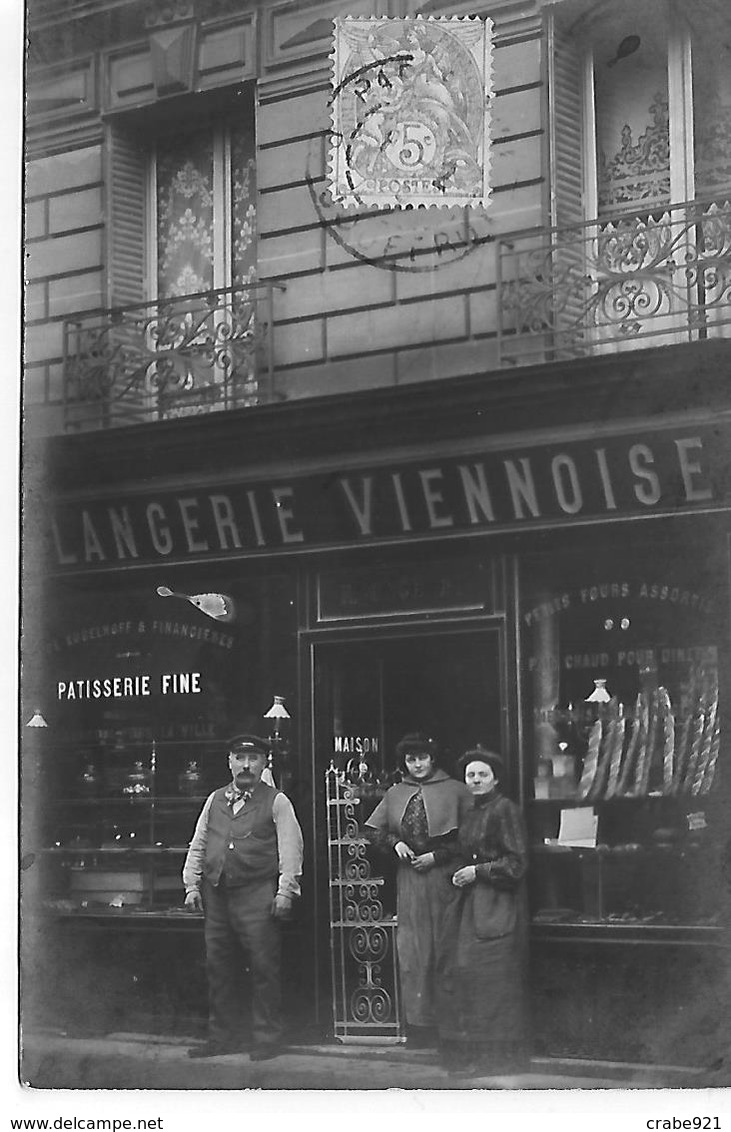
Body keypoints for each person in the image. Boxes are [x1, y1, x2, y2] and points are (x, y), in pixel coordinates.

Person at [182, 734, 304, 1061]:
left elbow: (290, 848)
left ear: (265, 763)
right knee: (218, 966)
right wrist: (192, 885)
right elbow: (199, 842)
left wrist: (285, 890)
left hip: (257, 892)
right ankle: (223, 1036)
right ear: (229, 761)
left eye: (253, 758)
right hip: (216, 893)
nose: (246, 765)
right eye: (239, 757)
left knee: (264, 966)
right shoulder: (214, 799)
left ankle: (267, 1037)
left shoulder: (277, 801)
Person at [365, 732, 470, 1046]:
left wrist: (438, 855)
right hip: (410, 877)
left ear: (433, 758)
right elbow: (372, 829)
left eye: (422, 758)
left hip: (445, 876)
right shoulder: (397, 792)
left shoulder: (457, 790)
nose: (418, 764)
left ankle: (450, 1028)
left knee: (446, 947)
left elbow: (471, 833)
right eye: (411, 759)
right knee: (414, 951)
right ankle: (420, 1026)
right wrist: (394, 842)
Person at [438, 747, 529, 1077]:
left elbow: (517, 862)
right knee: (467, 977)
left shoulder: (506, 810)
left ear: (496, 778)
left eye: (482, 775)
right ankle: (473, 1056)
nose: (475, 780)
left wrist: (478, 871)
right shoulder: (473, 811)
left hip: (496, 905)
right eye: (470, 776)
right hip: (471, 906)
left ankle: (496, 1059)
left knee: (492, 981)